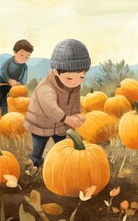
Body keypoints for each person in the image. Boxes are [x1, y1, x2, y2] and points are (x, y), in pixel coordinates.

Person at [23, 39, 90, 175]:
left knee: (61, 145)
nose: (76, 82)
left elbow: (75, 100)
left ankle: (61, 166)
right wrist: (68, 119)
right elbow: (51, 109)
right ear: (55, 71)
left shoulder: (75, 85)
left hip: (60, 124)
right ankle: (33, 165)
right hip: (41, 123)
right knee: (38, 146)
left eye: (82, 76)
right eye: (70, 78)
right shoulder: (45, 88)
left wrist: (76, 113)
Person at [0, 39, 34, 116]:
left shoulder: (24, 67)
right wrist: (9, 79)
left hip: (11, 87)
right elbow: (2, 71)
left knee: (5, 103)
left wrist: (19, 83)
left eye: (27, 57)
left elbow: (24, 78)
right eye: (22, 55)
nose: (23, 58)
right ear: (15, 52)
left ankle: (4, 119)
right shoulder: (9, 61)